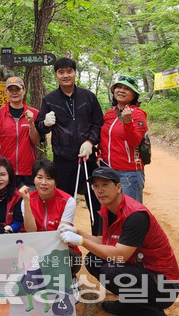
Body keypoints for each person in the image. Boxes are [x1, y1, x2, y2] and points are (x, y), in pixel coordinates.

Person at [59, 167, 179, 316]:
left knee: (111, 269)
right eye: (95, 186)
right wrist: (77, 232)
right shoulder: (106, 210)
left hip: (163, 285)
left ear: (118, 187)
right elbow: (104, 243)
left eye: (105, 185)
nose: (100, 190)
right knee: (93, 260)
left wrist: (81, 241)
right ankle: (132, 304)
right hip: (140, 271)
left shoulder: (135, 216)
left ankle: (153, 314)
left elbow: (120, 255)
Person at [35, 57, 103, 235]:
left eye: (69, 71)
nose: (65, 75)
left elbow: (98, 123)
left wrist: (90, 142)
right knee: (63, 202)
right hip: (62, 159)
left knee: (96, 201)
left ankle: (100, 243)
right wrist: (46, 123)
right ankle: (64, 242)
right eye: (61, 72)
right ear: (56, 75)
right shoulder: (50, 99)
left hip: (87, 157)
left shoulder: (88, 97)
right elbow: (39, 127)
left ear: (75, 73)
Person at [20, 159, 82, 295]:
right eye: (39, 177)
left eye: (49, 178)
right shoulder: (26, 200)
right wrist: (26, 202)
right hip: (35, 248)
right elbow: (31, 231)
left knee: (68, 257)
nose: (43, 183)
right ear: (34, 179)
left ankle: (70, 278)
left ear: (55, 181)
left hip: (60, 248)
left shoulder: (68, 201)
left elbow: (62, 233)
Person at [100, 75, 148, 202]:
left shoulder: (137, 114)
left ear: (134, 95)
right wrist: (100, 156)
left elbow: (135, 141)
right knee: (111, 212)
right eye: (119, 87)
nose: (121, 91)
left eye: (126, 89)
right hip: (108, 172)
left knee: (130, 213)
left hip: (129, 174)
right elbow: (103, 138)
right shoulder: (109, 114)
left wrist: (128, 122)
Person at [0, 76, 40, 187]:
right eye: (11, 90)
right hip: (5, 170)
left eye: (17, 89)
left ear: (24, 90)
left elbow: (36, 141)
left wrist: (31, 124)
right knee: (7, 203)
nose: (14, 93)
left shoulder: (34, 113)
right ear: (6, 92)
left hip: (28, 171)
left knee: (27, 203)